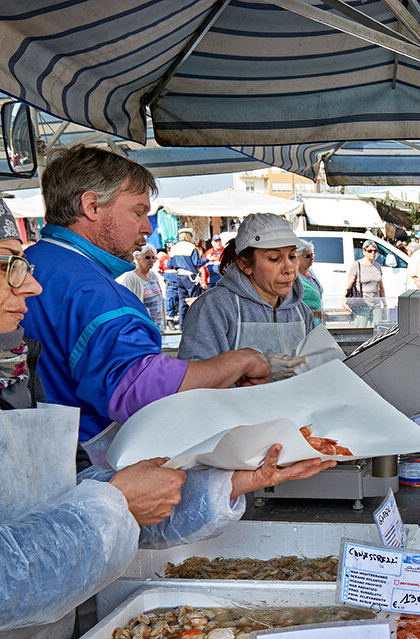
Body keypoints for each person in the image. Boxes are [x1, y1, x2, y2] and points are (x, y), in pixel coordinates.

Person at [0, 163, 330, 639]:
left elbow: (62, 496)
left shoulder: (0, 369)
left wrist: (228, 484)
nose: (31, 285)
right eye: (7, 264)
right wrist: (115, 501)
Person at [23, 146, 272, 445]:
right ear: (91, 206)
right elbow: (139, 389)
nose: (146, 228)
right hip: (81, 462)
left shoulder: (30, 263)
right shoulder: (96, 293)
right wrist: (239, 362)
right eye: (138, 212)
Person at [179, 213, 336, 375]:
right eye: (275, 258)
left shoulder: (301, 312)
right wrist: (248, 371)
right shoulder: (214, 308)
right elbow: (192, 379)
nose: (289, 269)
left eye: (291, 256)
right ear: (245, 264)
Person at [116, 244, 166, 328]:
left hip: (158, 326)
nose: (151, 260)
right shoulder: (131, 278)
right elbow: (128, 305)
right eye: (147, 257)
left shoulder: (153, 275)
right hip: (143, 328)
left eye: (153, 257)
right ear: (137, 258)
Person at [167, 229, 207, 327]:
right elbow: (196, 263)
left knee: (182, 301)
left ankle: (182, 325)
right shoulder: (191, 247)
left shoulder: (174, 248)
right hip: (190, 277)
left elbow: (169, 265)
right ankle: (195, 324)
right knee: (194, 300)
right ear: (188, 236)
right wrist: (207, 259)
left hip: (179, 276)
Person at [344, 239, 387, 325]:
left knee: (378, 332)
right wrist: (344, 301)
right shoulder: (357, 265)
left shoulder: (377, 266)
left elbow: (381, 287)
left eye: (375, 251)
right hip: (362, 304)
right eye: (370, 251)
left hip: (376, 304)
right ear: (364, 252)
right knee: (360, 331)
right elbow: (349, 285)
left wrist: (385, 304)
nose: (373, 253)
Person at [296, 242, 323, 318]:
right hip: (306, 322)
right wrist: (316, 314)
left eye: (312, 255)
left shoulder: (310, 271)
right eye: (308, 256)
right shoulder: (295, 277)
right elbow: (295, 307)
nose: (312, 258)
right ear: (297, 257)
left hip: (318, 322)